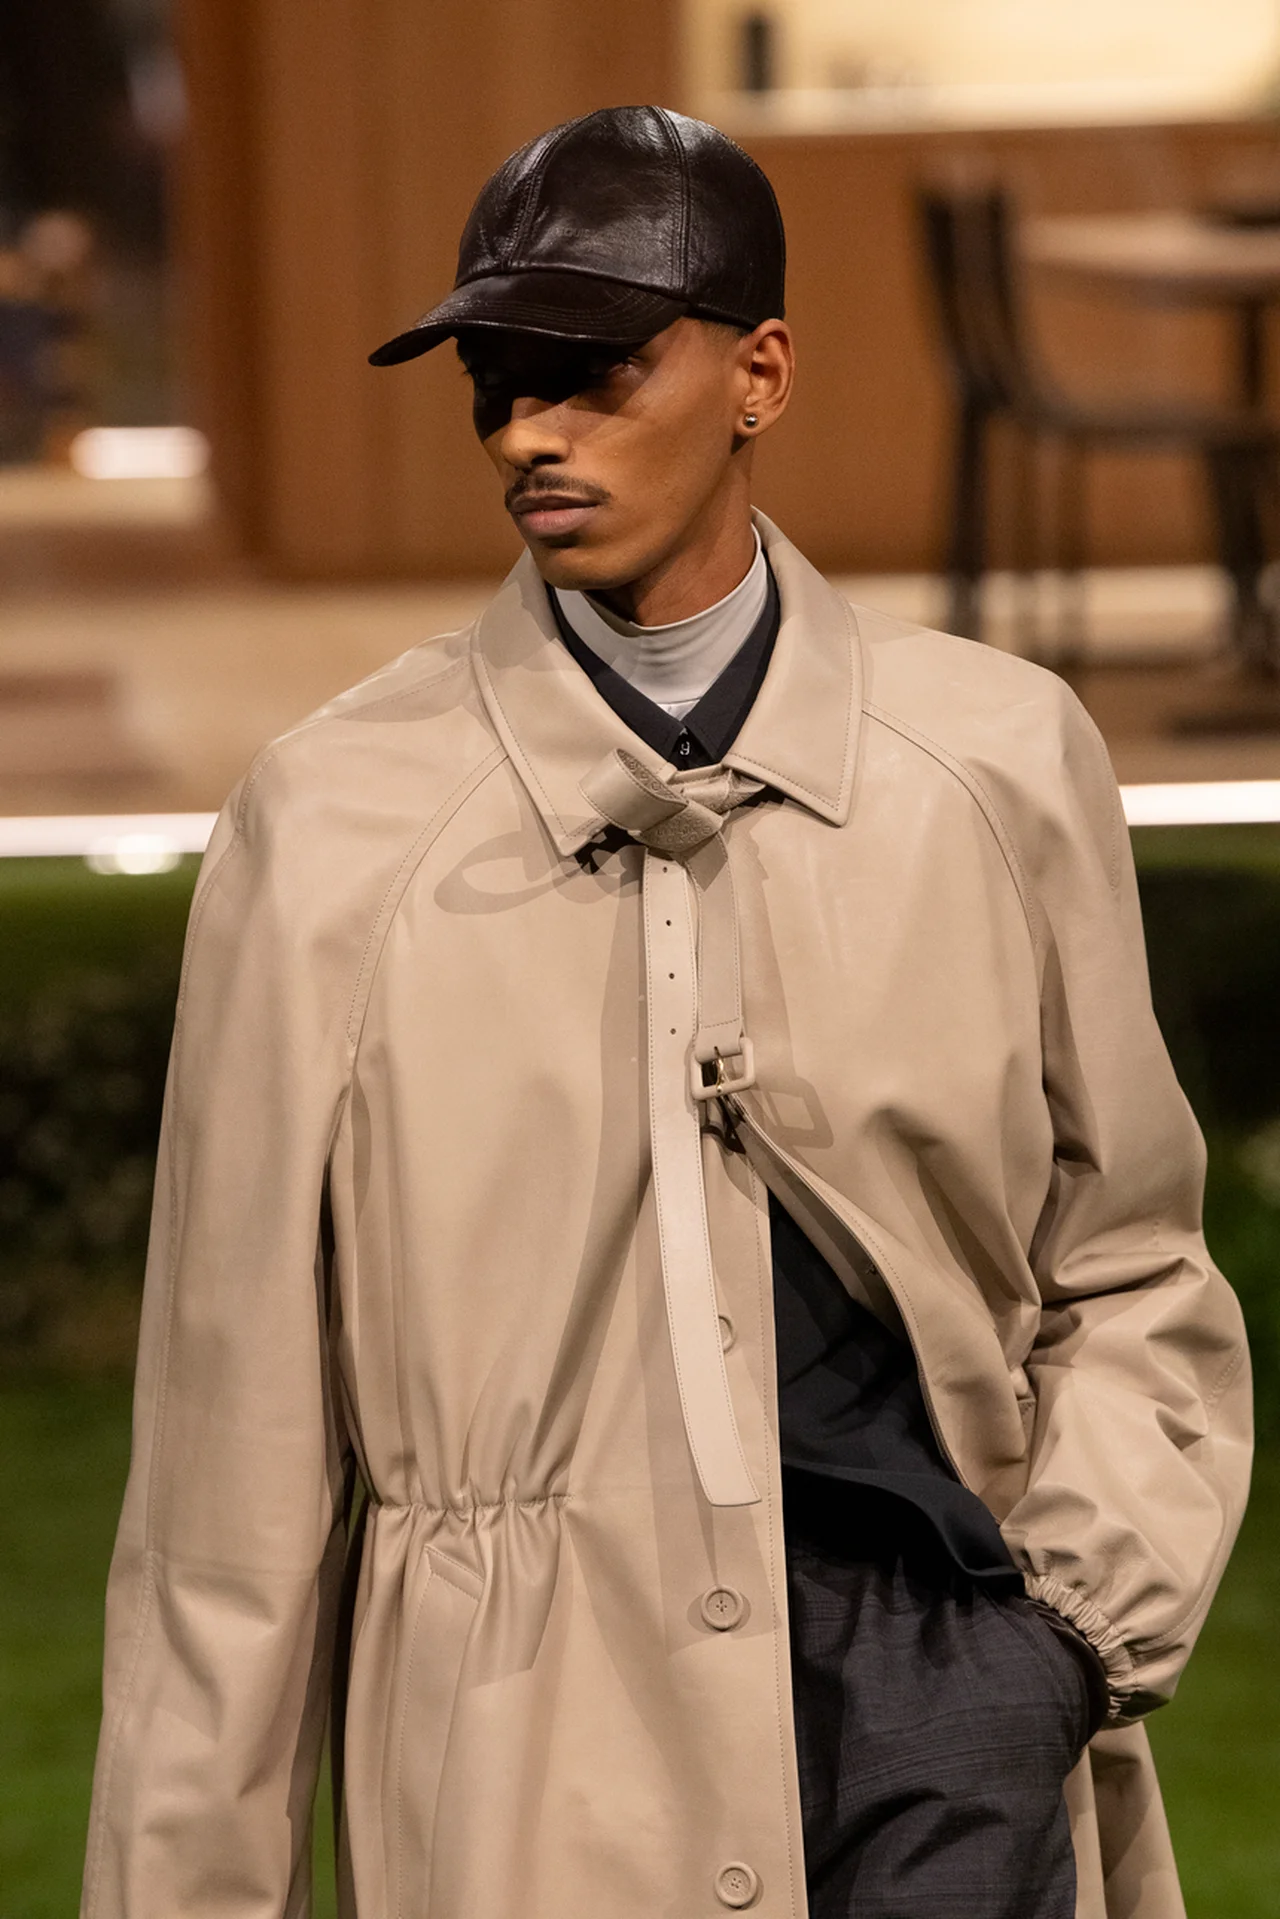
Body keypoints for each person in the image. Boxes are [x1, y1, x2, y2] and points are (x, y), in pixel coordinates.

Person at [82, 107, 1251, 1919]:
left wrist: (1062, 1639)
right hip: (530, 1754)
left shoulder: (996, 764)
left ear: (760, 371)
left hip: (945, 1701)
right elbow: (223, 1479)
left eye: (597, 370)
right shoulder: (332, 826)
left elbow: (1131, 1265)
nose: (528, 431)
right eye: (497, 381)